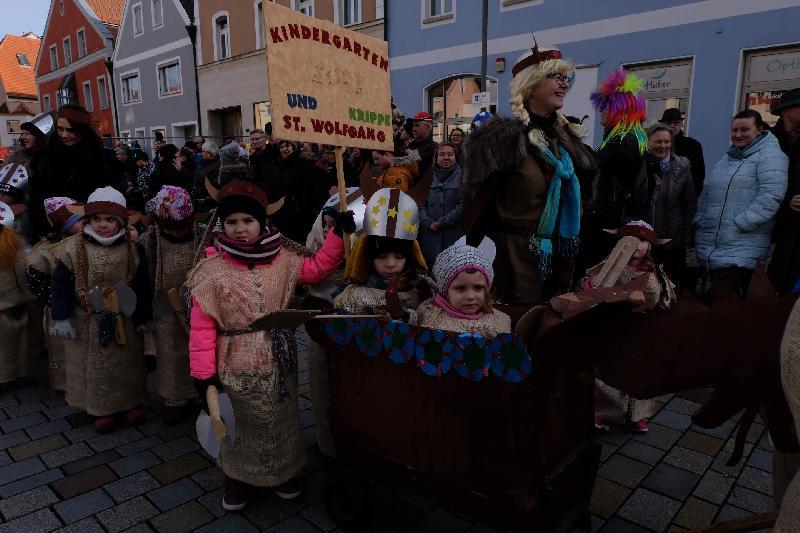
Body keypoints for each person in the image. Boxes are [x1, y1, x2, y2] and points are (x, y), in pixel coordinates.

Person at [187, 178, 352, 510]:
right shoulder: (211, 271)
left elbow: (318, 268)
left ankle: (283, 473)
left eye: (248, 220)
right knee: (238, 423)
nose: (239, 228)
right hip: (234, 363)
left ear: (262, 223)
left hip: (279, 360)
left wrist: (337, 234)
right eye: (231, 221)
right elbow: (201, 329)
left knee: (280, 420)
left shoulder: (283, 259)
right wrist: (202, 375)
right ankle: (237, 478)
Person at [461, 42, 599, 305]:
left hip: (559, 259)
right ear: (531, 84)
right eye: (554, 77)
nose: (564, 84)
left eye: (565, 77)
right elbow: (475, 207)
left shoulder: (567, 143)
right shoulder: (500, 141)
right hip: (510, 262)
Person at [49, 187, 152, 433]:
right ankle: (100, 408)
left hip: (122, 318)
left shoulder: (132, 249)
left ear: (121, 222)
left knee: (127, 364)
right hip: (88, 319)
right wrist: (61, 316)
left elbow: (141, 284)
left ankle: (129, 403)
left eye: (110, 220)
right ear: (88, 220)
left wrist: (143, 316)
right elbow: (61, 284)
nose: (102, 225)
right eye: (96, 219)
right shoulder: (72, 249)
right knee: (95, 367)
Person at [586, 220, 677, 433]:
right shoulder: (611, 266)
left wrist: (663, 302)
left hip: (640, 331)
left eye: (643, 240)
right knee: (607, 369)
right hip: (613, 327)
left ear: (650, 246)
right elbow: (592, 285)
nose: (637, 245)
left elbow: (666, 297)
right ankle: (601, 411)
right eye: (631, 239)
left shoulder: (655, 273)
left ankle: (636, 415)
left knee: (640, 371)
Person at [694, 109, 788, 297]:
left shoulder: (771, 156)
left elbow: (770, 197)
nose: (738, 135)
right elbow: (709, 194)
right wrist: (701, 219)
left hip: (743, 248)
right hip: (712, 247)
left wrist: (740, 223)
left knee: (729, 313)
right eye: (734, 130)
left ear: (759, 130)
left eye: (744, 129)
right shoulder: (726, 159)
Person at [141, 186, 198, 425]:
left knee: (197, 353)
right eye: (170, 229)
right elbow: (142, 277)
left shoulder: (201, 235)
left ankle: (199, 392)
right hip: (164, 307)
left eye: (182, 228)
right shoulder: (150, 240)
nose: (176, 234)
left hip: (198, 306)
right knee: (170, 353)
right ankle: (175, 398)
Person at [586, 69, 649, 267]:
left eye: (606, 106)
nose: (601, 111)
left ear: (619, 110)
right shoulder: (624, 140)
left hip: (609, 225)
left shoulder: (622, 143)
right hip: (610, 221)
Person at [335, 188, 428, 321]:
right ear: (368, 256)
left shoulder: (422, 291)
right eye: (382, 257)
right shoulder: (352, 295)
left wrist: (403, 316)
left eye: (399, 257)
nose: (390, 264)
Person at [24, 197, 83, 391]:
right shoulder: (46, 250)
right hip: (59, 307)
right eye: (80, 221)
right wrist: (55, 298)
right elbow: (35, 278)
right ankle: (64, 382)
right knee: (62, 348)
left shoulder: (87, 242)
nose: (86, 224)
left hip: (83, 304)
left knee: (83, 345)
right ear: (65, 226)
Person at [39, 104, 124, 216]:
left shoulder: (102, 159)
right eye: (60, 129)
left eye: (70, 130)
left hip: (93, 220)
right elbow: (40, 195)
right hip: (55, 220)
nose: (64, 135)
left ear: (82, 130)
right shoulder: (48, 155)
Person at [416, 240, 511, 338]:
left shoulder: (499, 322)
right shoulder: (430, 314)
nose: (470, 296)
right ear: (446, 291)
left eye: (478, 287)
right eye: (461, 288)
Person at [645, 123, 697, 286]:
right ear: (648, 143)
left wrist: (688, 238)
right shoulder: (641, 165)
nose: (663, 145)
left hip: (673, 239)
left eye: (666, 141)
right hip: (647, 240)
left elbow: (689, 204)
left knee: (672, 284)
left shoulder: (682, 167)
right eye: (658, 142)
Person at [0, 201, 38, 388]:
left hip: (14, 301)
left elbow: (21, 271)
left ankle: (17, 372)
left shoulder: (11, 243)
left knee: (16, 340)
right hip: (12, 302)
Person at [767, 89, 800, 295]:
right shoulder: (767, 139)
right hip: (769, 216)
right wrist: (786, 200)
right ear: (786, 111)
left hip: (794, 222)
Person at [419, 143, 463, 267]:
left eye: (450, 154)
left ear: (455, 157)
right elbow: (421, 204)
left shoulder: (463, 177)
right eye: (442, 154)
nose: (446, 157)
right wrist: (428, 222)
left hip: (452, 233)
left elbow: (463, 206)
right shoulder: (428, 177)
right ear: (436, 157)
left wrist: (442, 222)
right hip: (430, 232)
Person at [11, 112, 52, 241]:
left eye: (27, 133)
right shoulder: (18, 155)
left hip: (45, 212)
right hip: (22, 211)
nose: (22, 136)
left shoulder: (49, 157)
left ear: (38, 136)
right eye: (22, 133)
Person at [661, 108, 705, 195]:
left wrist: (692, 196)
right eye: (668, 123)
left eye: (675, 123)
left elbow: (699, 175)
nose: (672, 126)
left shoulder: (693, 145)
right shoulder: (656, 145)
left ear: (681, 124)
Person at [409, 112, 438, 176]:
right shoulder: (410, 145)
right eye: (413, 125)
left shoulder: (435, 148)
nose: (413, 129)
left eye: (417, 125)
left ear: (427, 127)